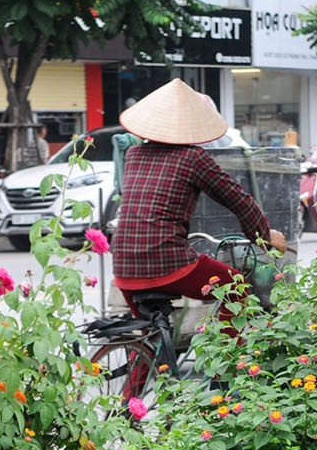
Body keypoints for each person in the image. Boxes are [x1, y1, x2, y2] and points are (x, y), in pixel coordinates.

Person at [113, 79, 287, 318]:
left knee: (149, 337)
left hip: (124, 266)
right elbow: (237, 199)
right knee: (235, 288)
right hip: (167, 262)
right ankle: (227, 354)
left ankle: (143, 354)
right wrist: (263, 236)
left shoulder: (133, 154)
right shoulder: (192, 157)